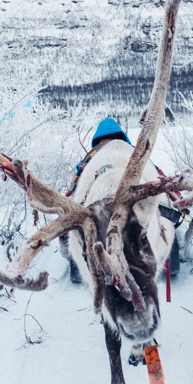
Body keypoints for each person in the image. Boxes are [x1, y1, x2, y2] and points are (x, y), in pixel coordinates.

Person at [61, 118, 183, 284]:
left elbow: (74, 186)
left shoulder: (87, 160)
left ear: (96, 141)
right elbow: (158, 175)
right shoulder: (137, 153)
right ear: (123, 136)